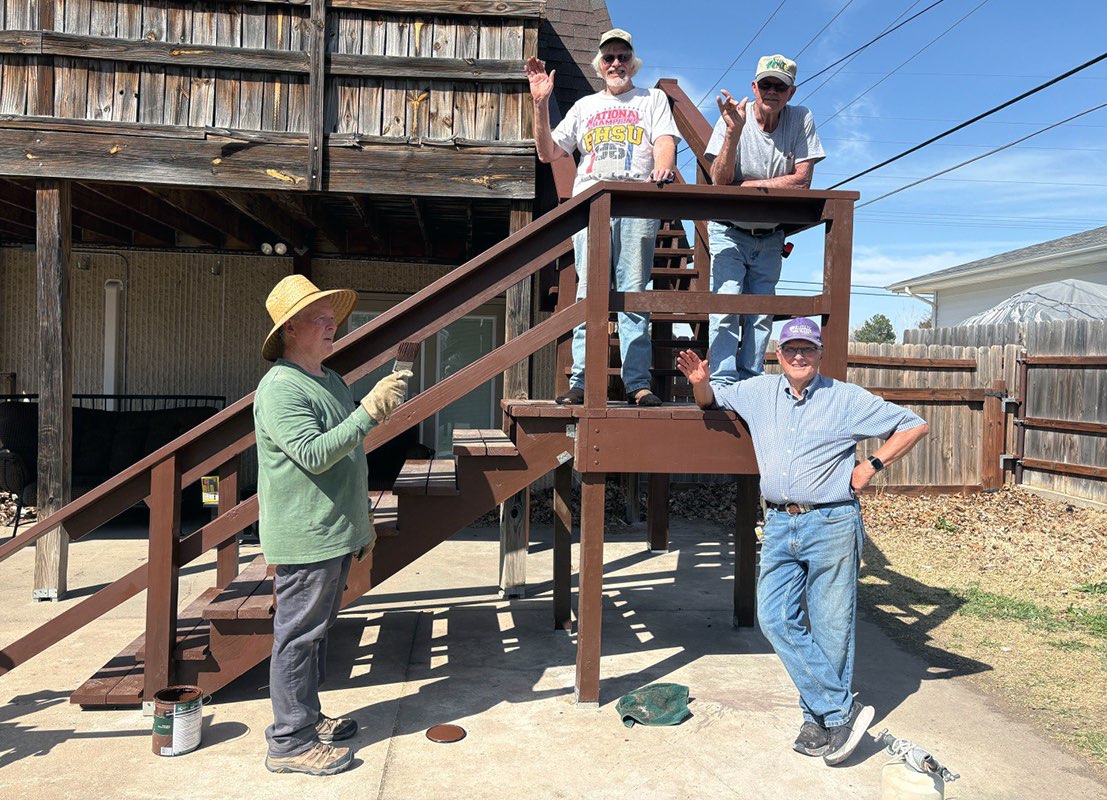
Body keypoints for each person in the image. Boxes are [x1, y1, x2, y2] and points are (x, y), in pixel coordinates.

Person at [676, 318, 929, 766]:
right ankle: (840, 710)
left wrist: (871, 464)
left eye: (807, 349)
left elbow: (913, 424)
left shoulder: (845, 398)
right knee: (774, 617)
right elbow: (712, 396)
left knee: (832, 627)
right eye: (790, 348)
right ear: (777, 353)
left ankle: (817, 721)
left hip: (831, 521)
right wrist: (698, 383)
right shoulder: (759, 391)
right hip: (777, 523)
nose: (798, 356)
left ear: (819, 354)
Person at [254, 274, 411, 776]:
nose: (332, 324)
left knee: (314, 635)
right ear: (290, 330)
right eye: (319, 319)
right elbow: (314, 454)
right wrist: (369, 411)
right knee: (297, 638)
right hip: (306, 535)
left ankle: (307, 718)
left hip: (332, 530)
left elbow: (349, 452)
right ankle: (289, 741)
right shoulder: (279, 387)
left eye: (331, 317)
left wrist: (360, 525)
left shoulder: (329, 379)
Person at [526, 28, 679, 406]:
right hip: (590, 208)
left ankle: (637, 384)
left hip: (636, 205)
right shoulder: (584, 107)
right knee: (587, 294)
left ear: (633, 63)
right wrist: (540, 104)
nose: (616, 63)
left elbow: (664, 141)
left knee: (634, 295)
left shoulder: (653, 99)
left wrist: (663, 168)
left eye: (622, 57)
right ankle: (582, 380)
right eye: (608, 58)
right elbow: (548, 153)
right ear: (599, 65)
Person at [705, 54, 825, 386]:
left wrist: (749, 186)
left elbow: (803, 180)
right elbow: (719, 179)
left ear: (791, 93)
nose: (772, 91)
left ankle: (752, 382)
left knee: (760, 315)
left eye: (780, 86)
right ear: (754, 87)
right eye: (766, 84)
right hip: (729, 230)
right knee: (726, 306)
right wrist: (733, 132)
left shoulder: (801, 118)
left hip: (771, 235)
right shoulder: (733, 119)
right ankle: (722, 384)